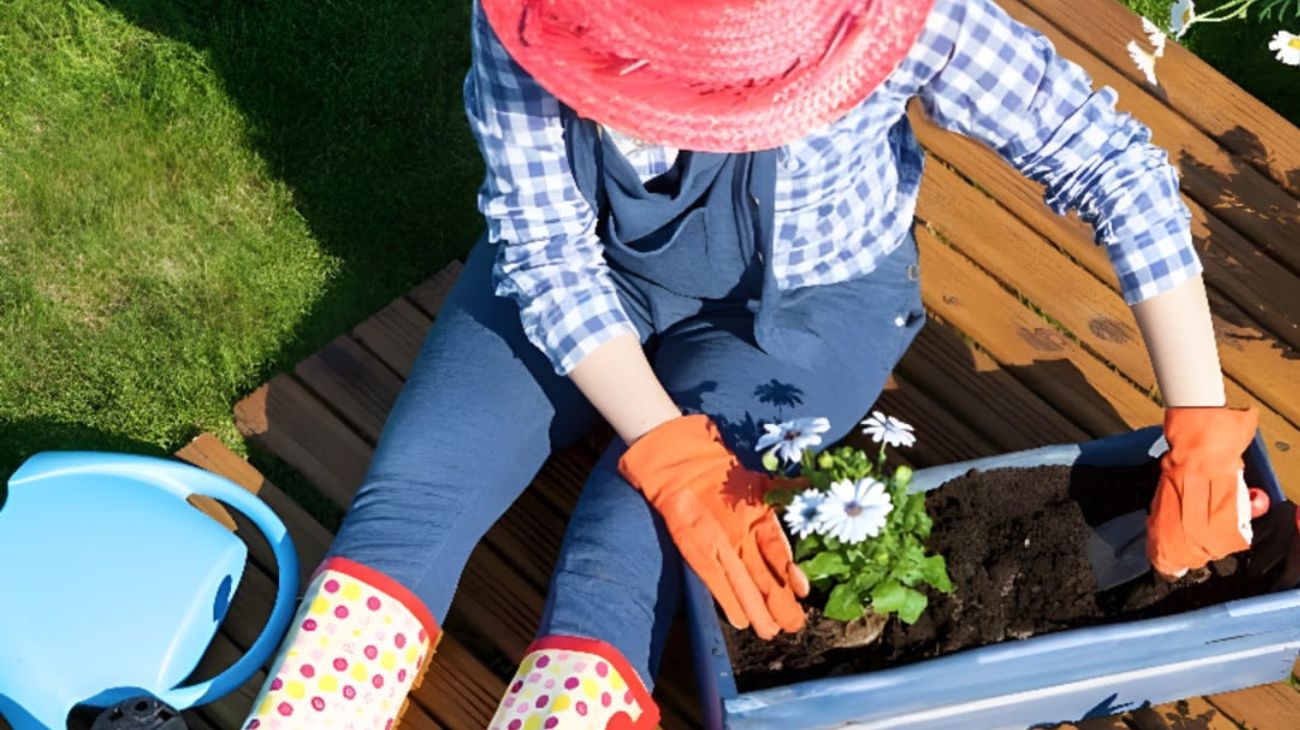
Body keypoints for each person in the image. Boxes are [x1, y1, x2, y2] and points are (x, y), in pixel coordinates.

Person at [239, 0, 1260, 726]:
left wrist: (1199, 418)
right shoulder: (537, 21)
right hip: (580, 278)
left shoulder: (895, 14)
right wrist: (671, 453)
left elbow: (1106, 159)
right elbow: (547, 252)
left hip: (803, 321)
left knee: (615, 554)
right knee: (412, 493)